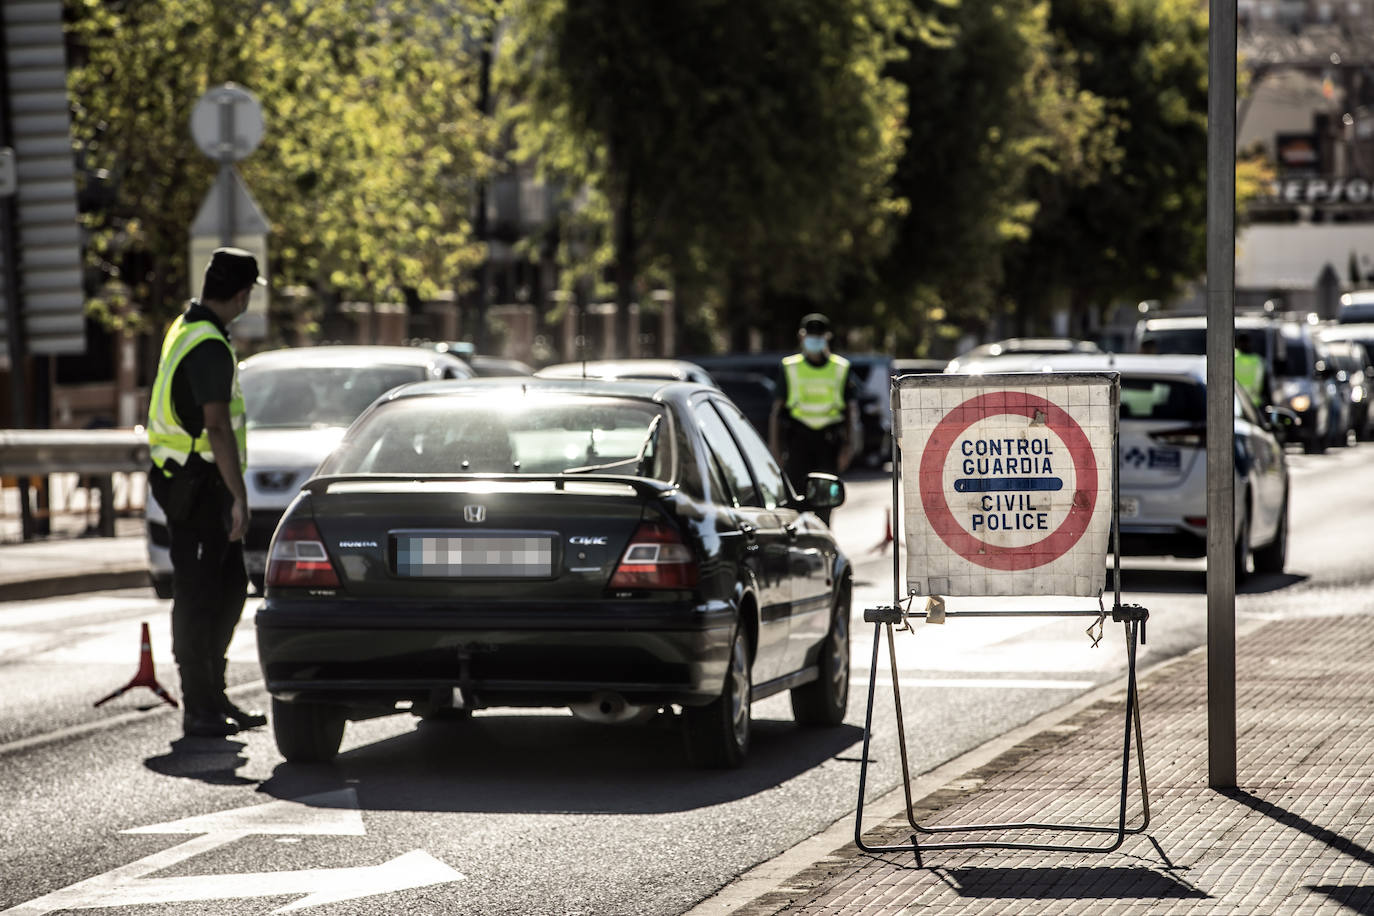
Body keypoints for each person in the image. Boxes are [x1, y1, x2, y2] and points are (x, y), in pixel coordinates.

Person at [146, 248, 267, 738]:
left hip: (190, 480)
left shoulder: (187, 326)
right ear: (241, 295)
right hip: (198, 486)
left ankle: (212, 694)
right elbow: (217, 427)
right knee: (198, 595)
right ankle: (199, 705)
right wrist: (239, 496)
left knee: (229, 587)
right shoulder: (209, 345)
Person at [769, 313, 860, 501]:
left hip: (829, 442)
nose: (814, 340)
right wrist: (775, 450)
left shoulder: (841, 367)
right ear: (801, 336)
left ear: (827, 337)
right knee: (797, 499)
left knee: (825, 500)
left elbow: (850, 411)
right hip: (798, 440)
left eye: (819, 336)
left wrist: (848, 447)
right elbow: (777, 412)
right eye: (810, 335)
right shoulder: (789, 366)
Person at [1235, 331, 1271, 409]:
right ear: (1250, 343)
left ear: (1237, 344)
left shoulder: (1232, 360)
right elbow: (1266, 387)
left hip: (1235, 404)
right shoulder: (1259, 361)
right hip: (1254, 405)